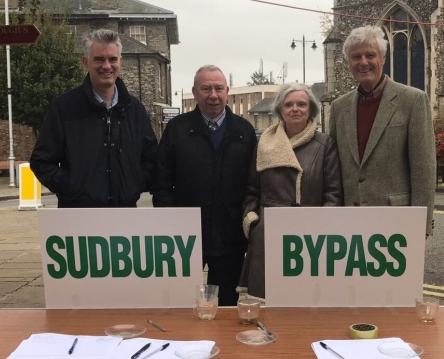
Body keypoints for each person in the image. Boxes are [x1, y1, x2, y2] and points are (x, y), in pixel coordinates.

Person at [153, 65, 256, 306]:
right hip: (185, 238)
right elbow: (161, 182)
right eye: (206, 88)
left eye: (219, 88)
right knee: (180, 303)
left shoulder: (244, 131)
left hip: (230, 238)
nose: (213, 95)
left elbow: (253, 184)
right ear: (194, 93)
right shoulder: (176, 130)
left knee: (227, 305)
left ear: (227, 91)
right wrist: (171, 220)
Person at [30, 29, 157, 207]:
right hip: (78, 219)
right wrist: (73, 188)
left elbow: (151, 158)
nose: (106, 66)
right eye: (99, 59)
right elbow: (41, 161)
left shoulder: (135, 109)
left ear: (120, 61)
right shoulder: (64, 107)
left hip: (125, 217)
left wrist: (134, 185)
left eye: (112, 59)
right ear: (85, 62)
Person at [329, 25, 436, 235]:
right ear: (349, 63)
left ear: (383, 58)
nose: (363, 62)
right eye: (356, 57)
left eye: (370, 55)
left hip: (396, 223)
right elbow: (333, 169)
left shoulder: (413, 100)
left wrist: (420, 226)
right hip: (349, 222)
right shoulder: (339, 107)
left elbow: (424, 170)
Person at [238, 83, 343, 299]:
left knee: (307, 302)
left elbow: (333, 193)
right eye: (289, 104)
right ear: (280, 110)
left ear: (311, 110)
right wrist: (253, 221)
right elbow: (251, 190)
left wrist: (323, 227)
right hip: (269, 234)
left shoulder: (325, 145)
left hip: (311, 236)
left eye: (301, 104)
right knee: (268, 304)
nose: (295, 109)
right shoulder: (264, 145)